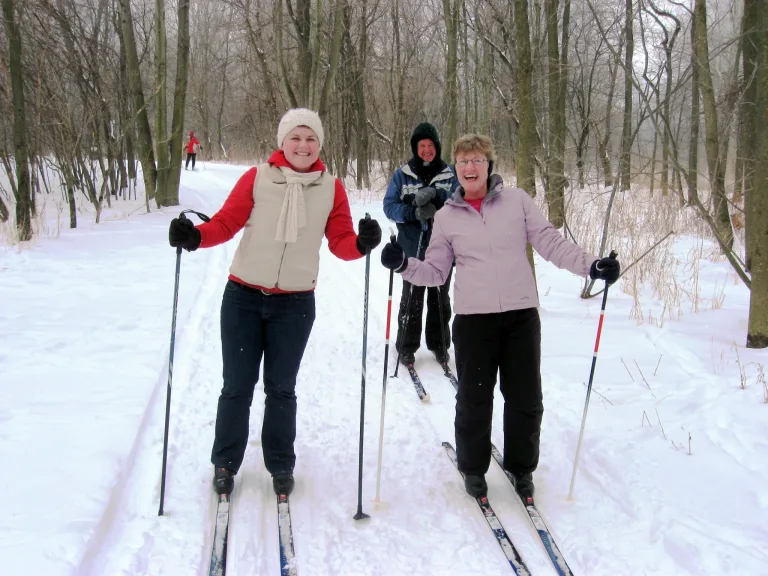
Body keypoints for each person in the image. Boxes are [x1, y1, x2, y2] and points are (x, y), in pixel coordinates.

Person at [380, 134, 620, 500]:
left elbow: (551, 243)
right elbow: (436, 272)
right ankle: (473, 468)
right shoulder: (446, 217)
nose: (470, 167)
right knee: (474, 400)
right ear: (456, 169)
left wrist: (592, 266)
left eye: (477, 160)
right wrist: (403, 264)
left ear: (489, 165)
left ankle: (522, 468)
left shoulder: (517, 201)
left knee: (525, 398)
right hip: (474, 320)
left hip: (521, 316)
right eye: (463, 161)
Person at [168, 109, 383, 497]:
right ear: (282, 141)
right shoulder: (257, 178)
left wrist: (361, 243)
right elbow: (225, 223)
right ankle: (225, 462)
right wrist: (194, 237)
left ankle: (281, 463)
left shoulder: (331, 188)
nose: (303, 145)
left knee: (282, 389)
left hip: (295, 305)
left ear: (319, 144)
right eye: (295, 137)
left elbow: (340, 242)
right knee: (237, 386)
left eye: (311, 138)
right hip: (243, 298)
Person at [382, 122, 458, 367]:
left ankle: (439, 344)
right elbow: (389, 207)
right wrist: (412, 212)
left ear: (437, 147)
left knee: (440, 299)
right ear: (415, 148)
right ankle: (406, 346)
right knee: (412, 299)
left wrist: (439, 199)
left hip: (443, 247)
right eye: (422, 145)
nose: (426, 150)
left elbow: (460, 201)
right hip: (411, 247)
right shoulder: (402, 174)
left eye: (430, 145)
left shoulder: (450, 173)